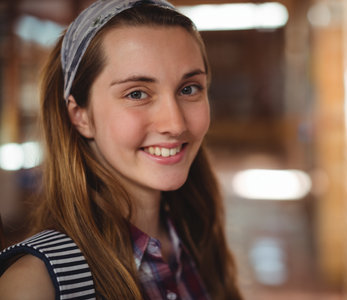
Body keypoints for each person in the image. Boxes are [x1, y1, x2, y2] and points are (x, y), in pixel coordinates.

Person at [0, 1, 242, 299]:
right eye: (137, 93)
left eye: (189, 88)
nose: (175, 124)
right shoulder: (37, 284)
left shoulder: (195, 237)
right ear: (81, 116)